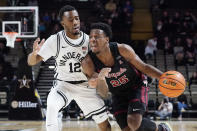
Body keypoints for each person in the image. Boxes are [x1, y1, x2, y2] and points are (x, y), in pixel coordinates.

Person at [27, 6, 111, 131]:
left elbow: (102, 62)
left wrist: (97, 76)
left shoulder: (88, 41)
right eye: (71, 20)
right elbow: (31, 62)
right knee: (51, 106)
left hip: (85, 85)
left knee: (105, 124)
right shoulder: (55, 40)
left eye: (77, 18)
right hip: (63, 85)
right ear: (63, 23)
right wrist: (33, 54)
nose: (75, 22)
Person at [82, 22, 172, 131]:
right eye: (91, 37)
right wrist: (100, 79)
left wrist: (164, 77)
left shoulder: (122, 49)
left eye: (97, 37)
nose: (92, 40)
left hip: (137, 86)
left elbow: (144, 67)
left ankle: (162, 128)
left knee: (134, 122)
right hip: (117, 93)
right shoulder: (88, 62)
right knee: (127, 129)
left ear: (106, 39)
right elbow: (104, 93)